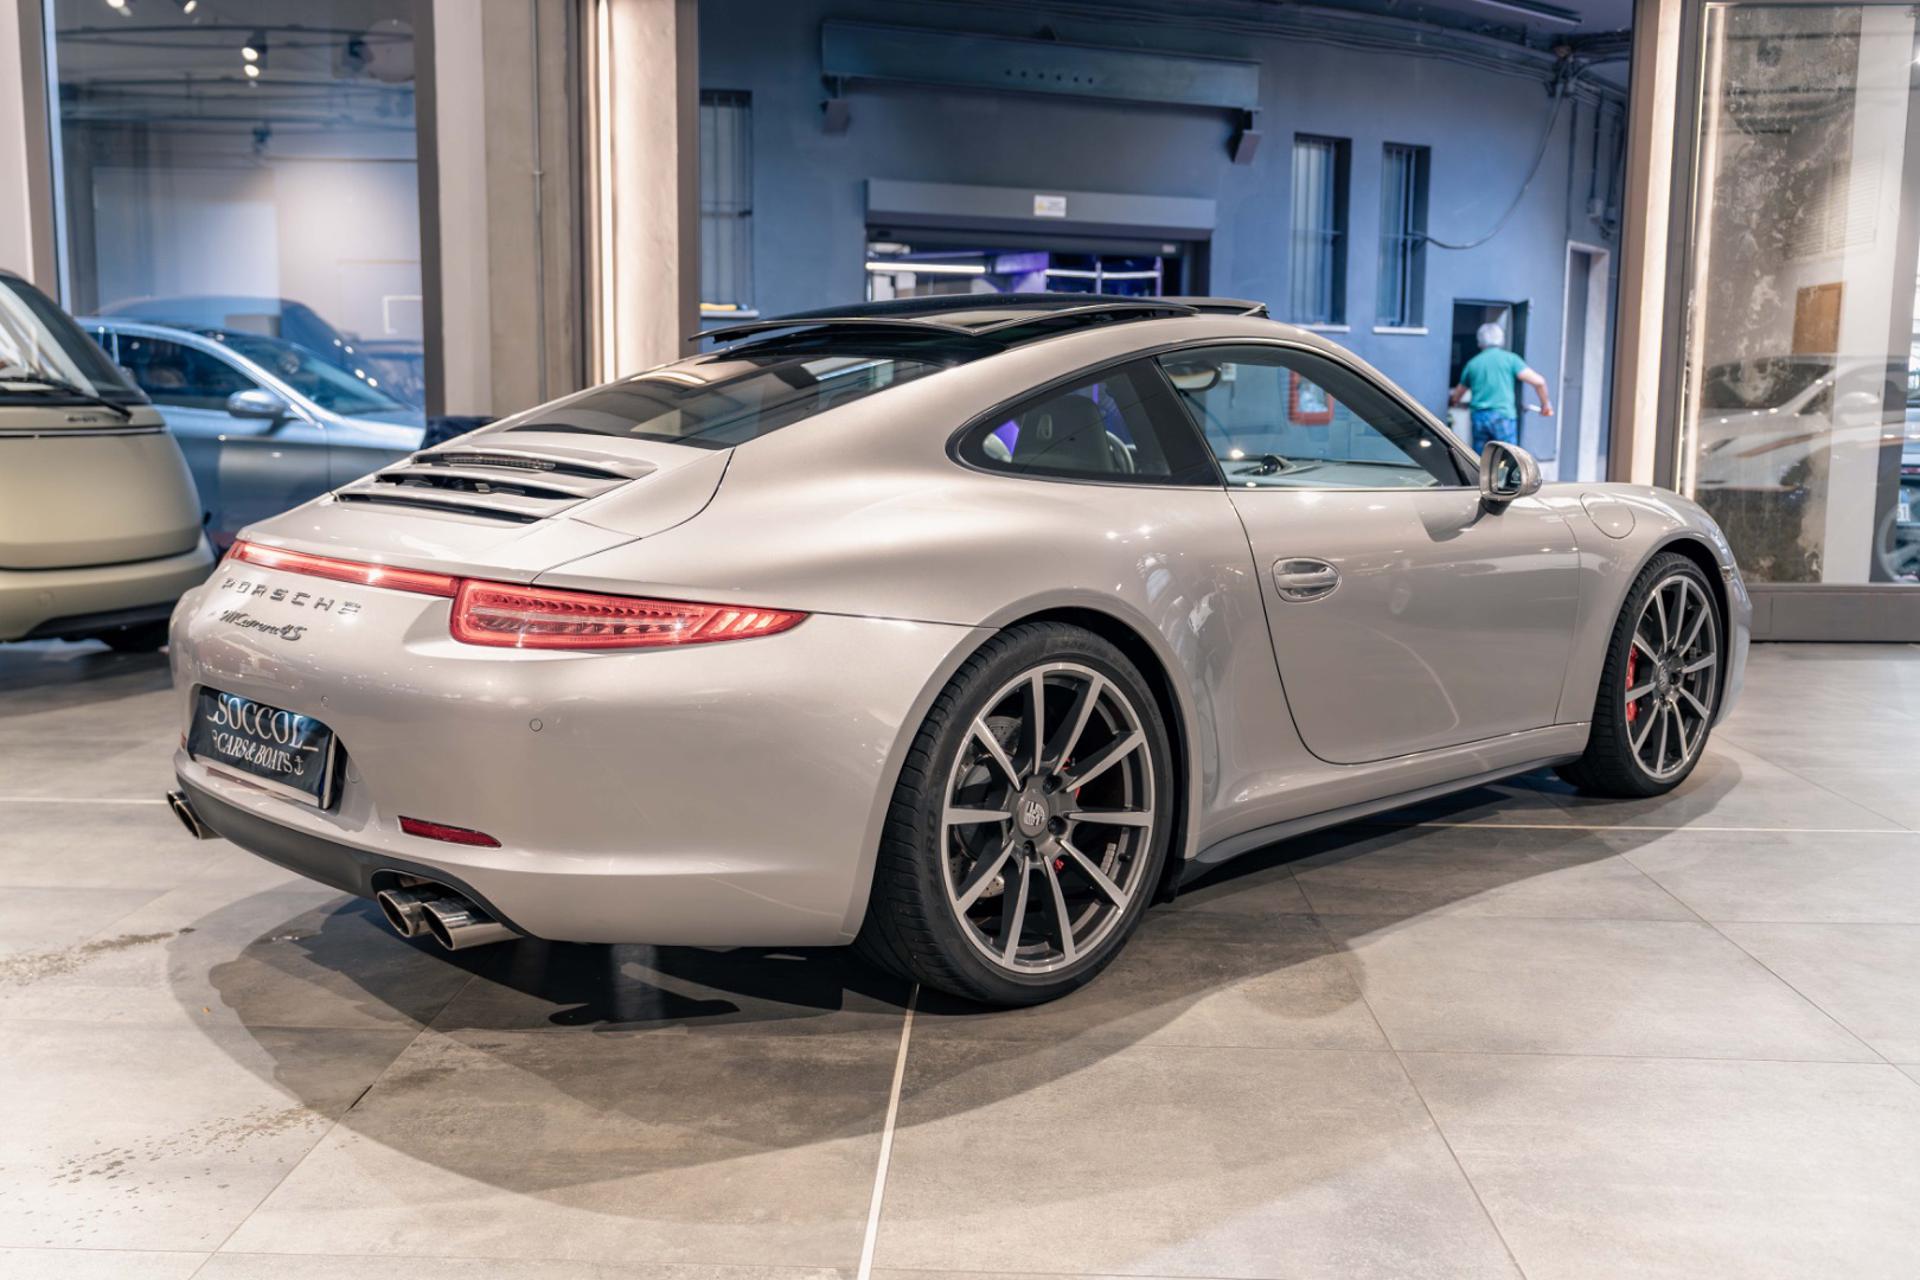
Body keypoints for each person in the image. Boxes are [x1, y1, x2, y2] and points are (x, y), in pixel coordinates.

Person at [1449, 323, 1552, 451]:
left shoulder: (1472, 364)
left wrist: (1453, 403)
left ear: (1479, 343)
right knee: (1508, 456)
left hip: (1479, 417)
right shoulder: (1511, 359)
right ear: (1501, 340)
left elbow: (1456, 396)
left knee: (1480, 458)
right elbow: (1539, 382)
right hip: (1503, 416)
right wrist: (1545, 405)